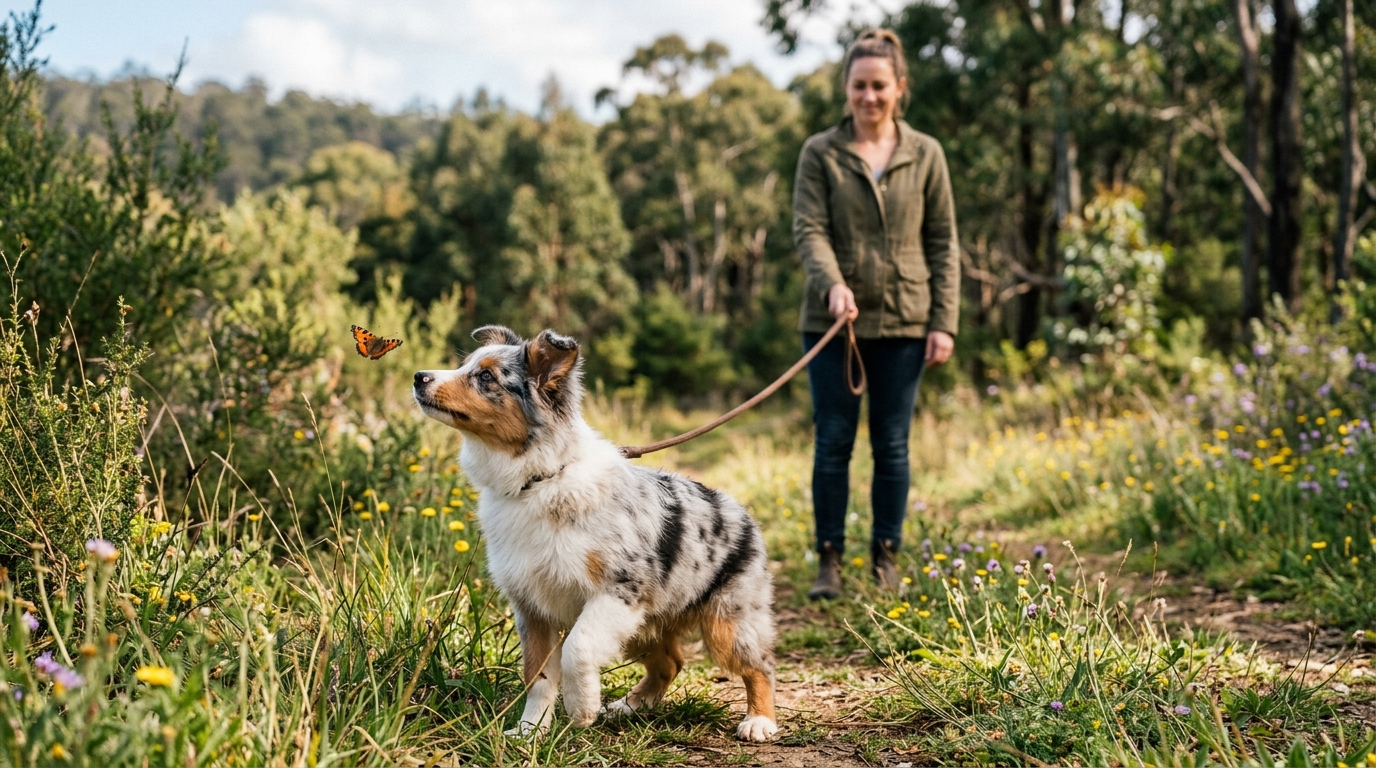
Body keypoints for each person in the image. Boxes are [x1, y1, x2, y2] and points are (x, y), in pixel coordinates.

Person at [793, 29, 960, 599]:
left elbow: (943, 240)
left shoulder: (927, 153)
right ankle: (829, 562)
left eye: (879, 86)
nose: (869, 96)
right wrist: (833, 285)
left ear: (900, 88)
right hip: (832, 325)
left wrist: (944, 321)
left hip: (907, 323)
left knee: (892, 446)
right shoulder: (820, 152)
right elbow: (809, 229)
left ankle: (886, 557)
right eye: (859, 86)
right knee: (833, 442)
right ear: (846, 88)